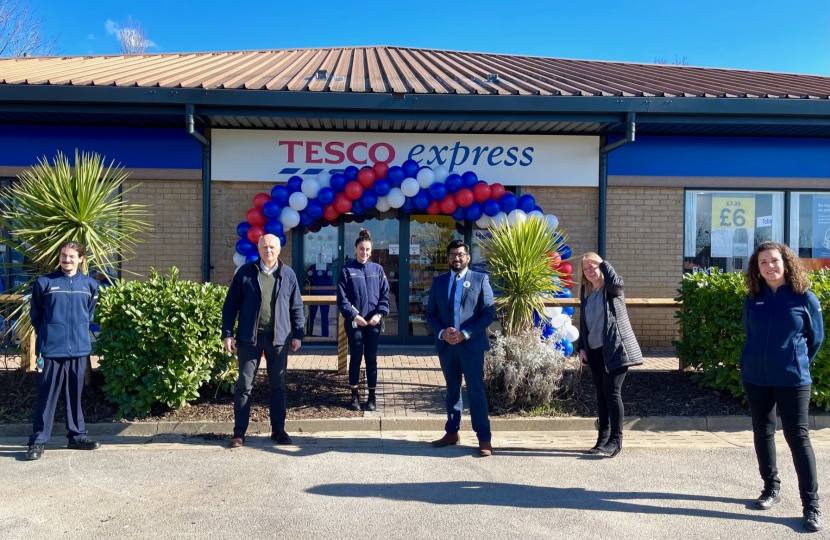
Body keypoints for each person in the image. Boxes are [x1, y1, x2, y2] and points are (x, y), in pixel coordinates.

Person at [740, 241, 823, 532]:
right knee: (762, 432)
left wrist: (794, 361)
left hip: (792, 379)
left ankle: (811, 506)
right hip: (755, 378)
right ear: (757, 268)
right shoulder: (753, 298)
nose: (769, 266)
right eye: (763, 262)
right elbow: (750, 334)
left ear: (786, 263)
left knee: (798, 438)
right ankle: (770, 488)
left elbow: (816, 339)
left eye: (774, 260)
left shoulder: (805, 298)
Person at [221, 234, 304, 448]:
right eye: (264, 247)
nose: (268, 250)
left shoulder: (288, 274)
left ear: (279, 250)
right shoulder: (245, 273)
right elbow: (230, 306)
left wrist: (298, 334)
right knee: (244, 386)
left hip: (278, 339)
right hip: (249, 339)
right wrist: (227, 334)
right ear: (258, 249)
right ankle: (239, 432)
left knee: (278, 386)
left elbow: (296, 307)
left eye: (272, 247)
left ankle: (278, 430)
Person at [25, 241, 100, 461]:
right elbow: (36, 316)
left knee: (74, 395)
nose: (66, 260)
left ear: (80, 259)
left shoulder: (89, 285)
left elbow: (89, 314)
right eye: (63, 256)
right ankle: (38, 441)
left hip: (79, 349)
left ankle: (77, 436)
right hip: (51, 350)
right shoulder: (45, 283)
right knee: (46, 396)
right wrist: (49, 335)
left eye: (71, 256)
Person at [425, 239, 496, 457]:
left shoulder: (480, 279)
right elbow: (430, 314)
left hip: (471, 345)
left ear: (468, 257)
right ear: (448, 258)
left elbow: (488, 313)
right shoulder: (439, 282)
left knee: (476, 391)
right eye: (452, 255)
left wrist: (465, 333)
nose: (456, 258)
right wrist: (442, 333)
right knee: (452, 390)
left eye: (460, 254)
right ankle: (452, 432)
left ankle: (484, 438)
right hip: (447, 346)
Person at [576, 253, 642, 458]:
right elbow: (585, 323)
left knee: (612, 393)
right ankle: (602, 439)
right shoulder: (586, 293)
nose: (590, 271)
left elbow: (616, 283)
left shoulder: (612, 289)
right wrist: (582, 348)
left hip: (616, 349)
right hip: (595, 350)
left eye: (593, 266)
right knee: (601, 395)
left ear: (601, 266)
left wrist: (603, 264)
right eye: (586, 268)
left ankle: (616, 440)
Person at [337, 229, 390, 411]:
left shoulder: (378, 270)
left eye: (367, 249)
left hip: (373, 322)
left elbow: (385, 295)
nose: (364, 252)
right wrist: (354, 315)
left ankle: (372, 397)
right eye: (361, 249)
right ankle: (354, 396)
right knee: (356, 357)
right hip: (355, 322)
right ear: (355, 249)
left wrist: (378, 314)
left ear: (371, 250)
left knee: (371, 358)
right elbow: (342, 299)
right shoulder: (347, 270)